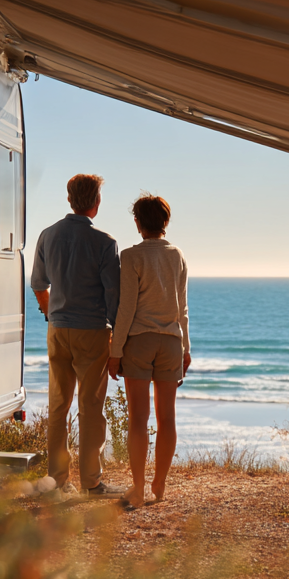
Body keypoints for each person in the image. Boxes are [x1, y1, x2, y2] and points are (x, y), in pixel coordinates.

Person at [30, 174, 123, 497]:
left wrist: (49, 313)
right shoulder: (105, 242)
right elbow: (114, 297)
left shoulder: (47, 235)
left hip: (58, 330)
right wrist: (116, 340)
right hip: (92, 332)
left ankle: (57, 480)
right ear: (96, 203)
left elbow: (39, 285)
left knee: (58, 405)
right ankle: (91, 482)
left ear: (69, 200)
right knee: (90, 406)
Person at [107, 194, 191, 508]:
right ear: (165, 222)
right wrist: (186, 347)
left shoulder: (130, 256)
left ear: (138, 222)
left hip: (139, 341)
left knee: (138, 419)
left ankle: (139, 487)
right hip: (171, 341)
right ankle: (160, 485)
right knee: (167, 418)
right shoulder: (177, 255)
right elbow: (182, 308)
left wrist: (115, 351)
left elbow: (126, 308)